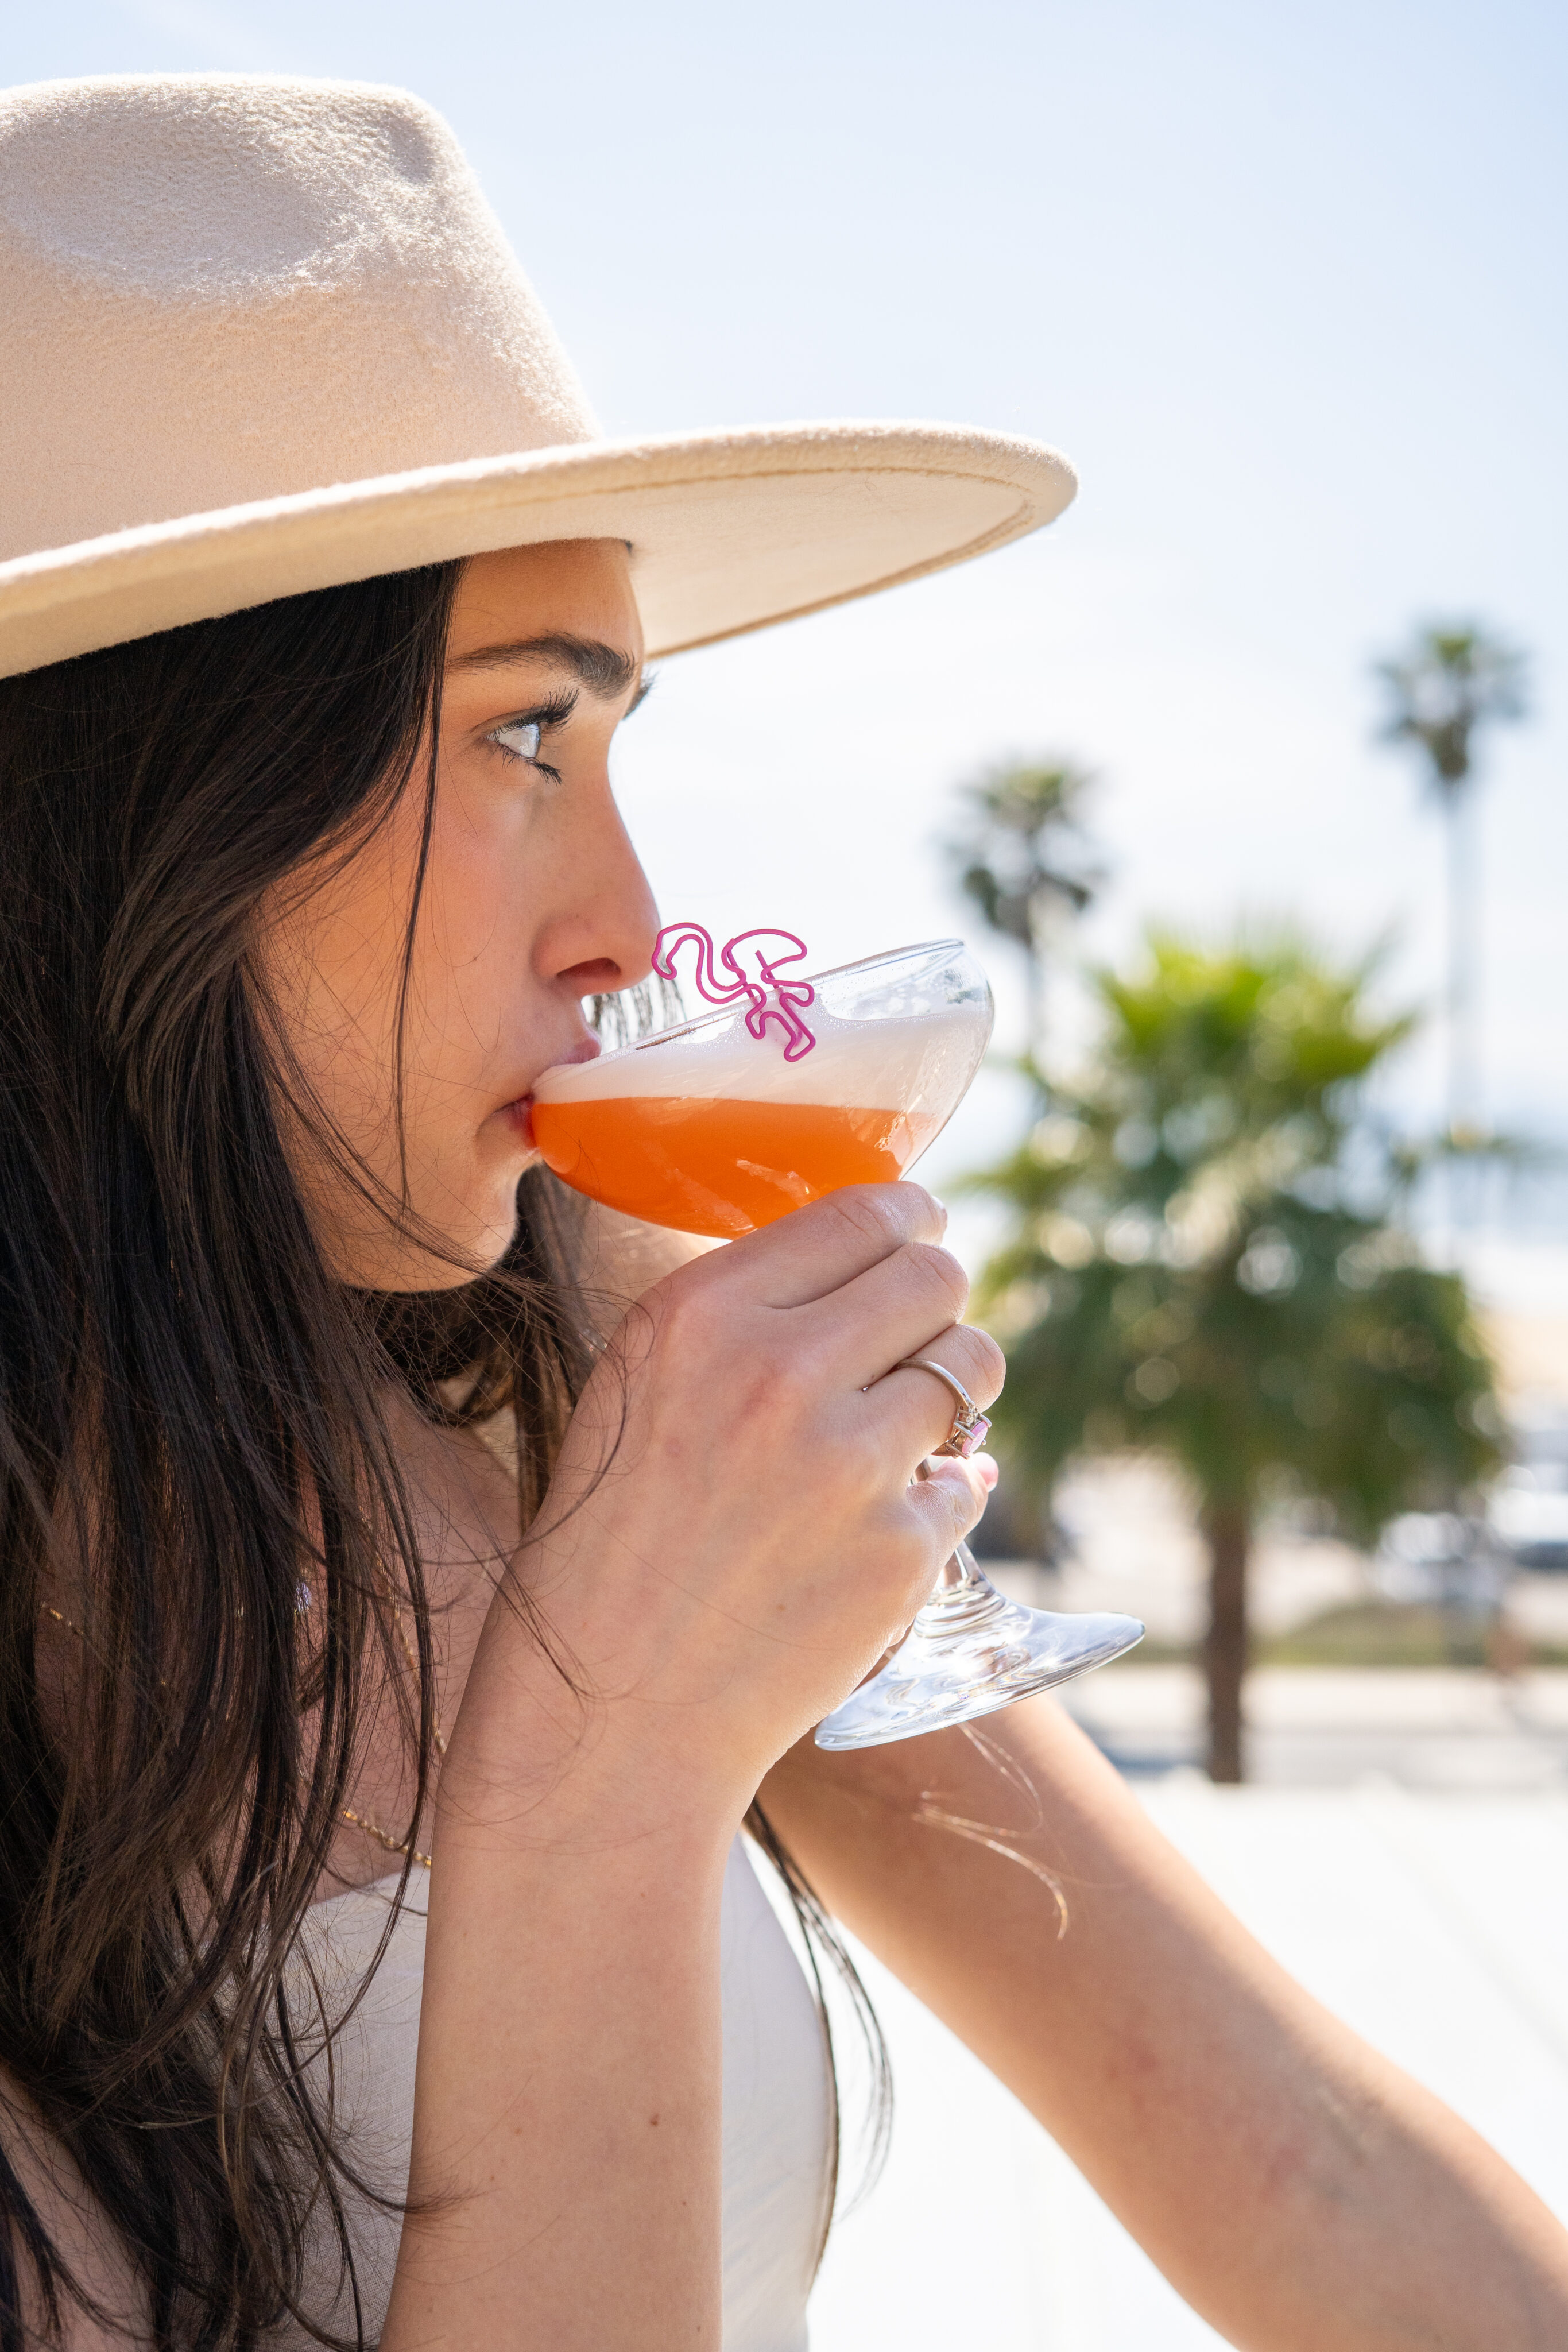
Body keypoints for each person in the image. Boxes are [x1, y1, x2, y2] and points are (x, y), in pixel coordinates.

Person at [0, 71, 1562, 2352]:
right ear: (145, 808)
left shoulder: (585, 1399)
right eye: (529, 741)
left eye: (623, 747)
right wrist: (609, 1751)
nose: (632, 927)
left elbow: (1299, 2167)